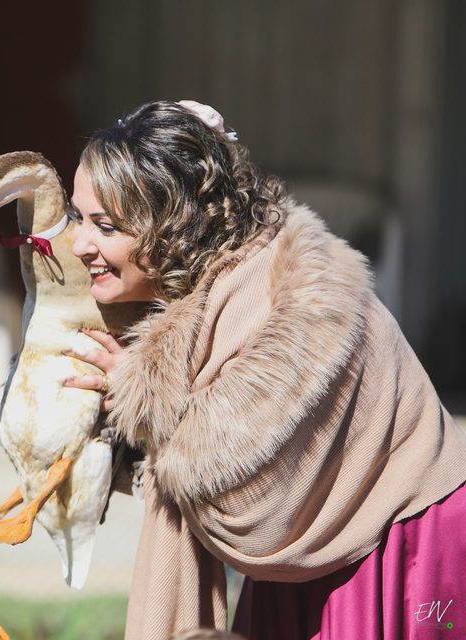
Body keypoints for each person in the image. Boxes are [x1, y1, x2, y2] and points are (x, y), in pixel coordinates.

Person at [64, 100, 466, 639]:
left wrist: (145, 402)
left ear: (170, 224)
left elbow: (257, 510)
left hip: (397, 548)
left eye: (105, 226)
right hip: (314, 557)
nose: (78, 243)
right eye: (77, 216)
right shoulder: (203, 284)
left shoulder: (278, 304)